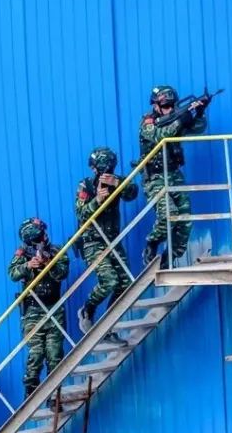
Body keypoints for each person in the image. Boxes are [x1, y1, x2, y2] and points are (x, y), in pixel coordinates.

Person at [139, 85, 209, 266]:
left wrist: (199, 113)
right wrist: (180, 121)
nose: (170, 110)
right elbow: (159, 136)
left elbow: (198, 128)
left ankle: (167, 260)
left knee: (185, 220)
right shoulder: (148, 122)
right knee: (168, 215)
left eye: (172, 106)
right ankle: (152, 243)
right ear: (155, 106)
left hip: (173, 174)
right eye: (166, 106)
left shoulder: (175, 118)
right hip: (155, 178)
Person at [75, 146, 137, 342]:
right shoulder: (86, 186)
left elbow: (132, 193)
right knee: (110, 280)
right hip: (93, 242)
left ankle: (108, 327)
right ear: (94, 169)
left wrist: (117, 183)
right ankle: (87, 310)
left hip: (112, 240)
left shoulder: (116, 181)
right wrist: (98, 200)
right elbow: (81, 213)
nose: (104, 172)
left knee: (125, 284)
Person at [8, 217, 70, 398]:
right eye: (38, 238)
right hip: (32, 311)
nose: (43, 239)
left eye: (42, 235)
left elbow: (62, 273)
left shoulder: (56, 250)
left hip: (54, 307)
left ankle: (55, 396)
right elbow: (12, 273)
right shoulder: (22, 254)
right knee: (36, 353)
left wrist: (49, 264)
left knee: (54, 354)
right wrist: (28, 265)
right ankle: (31, 389)